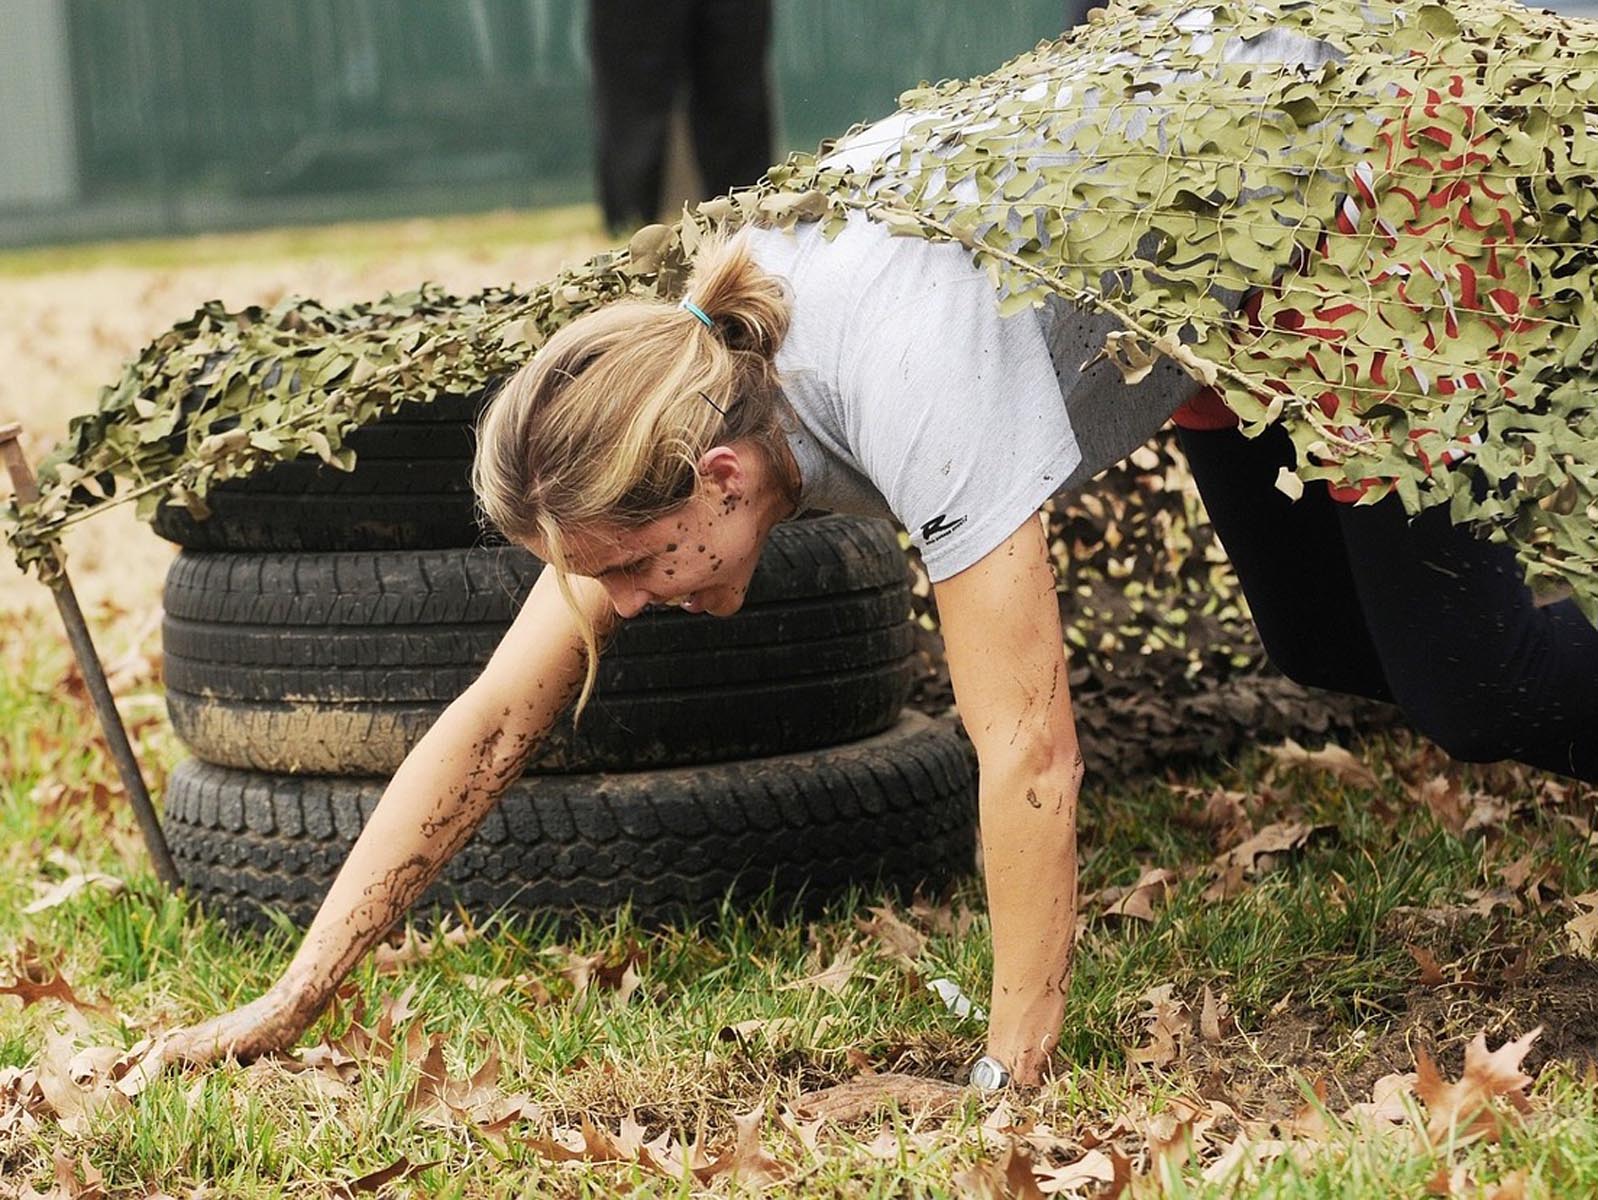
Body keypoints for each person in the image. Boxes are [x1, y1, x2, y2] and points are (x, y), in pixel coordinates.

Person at [152, 0, 1597, 1089]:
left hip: (1364, 177)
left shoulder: (909, 383)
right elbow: (490, 722)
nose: (626, 609)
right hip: (1209, 277)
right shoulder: (684, 384)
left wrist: (1006, 1084)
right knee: (1322, 645)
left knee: (1468, 686)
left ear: (718, 480)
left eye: (636, 569)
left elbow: (1027, 751)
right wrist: (286, 1001)